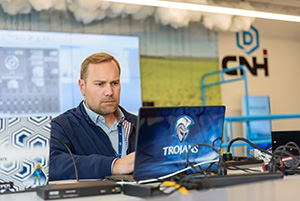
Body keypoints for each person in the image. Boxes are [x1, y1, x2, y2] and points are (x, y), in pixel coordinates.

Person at [49, 52, 137, 181]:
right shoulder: (62, 127)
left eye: (114, 83)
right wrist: (114, 166)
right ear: (82, 87)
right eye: (100, 84)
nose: (109, 92)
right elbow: (52, 165)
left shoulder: (139, 125)